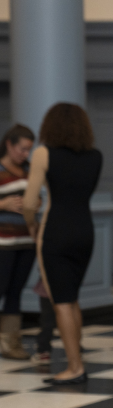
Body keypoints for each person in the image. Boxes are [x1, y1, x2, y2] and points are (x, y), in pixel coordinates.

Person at [23, 103, 103, 384]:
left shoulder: (43, 153)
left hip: (55, 231)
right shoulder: (95, 156)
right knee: (72, 299)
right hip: (85, 231)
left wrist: (32, 225)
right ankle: (76, 360)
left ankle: (74, 367)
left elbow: (29, 203)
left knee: (61, 302)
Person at [0, 124, 36, 360]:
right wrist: (2, 205)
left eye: (29, 150)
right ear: (9, 145)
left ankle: (12, 343)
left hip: (26, 241)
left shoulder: (30, 170)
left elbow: (37, 197)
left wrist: (36, 204)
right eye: (22, 149)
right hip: (3, 243)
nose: (25, 154)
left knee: (15, 292)